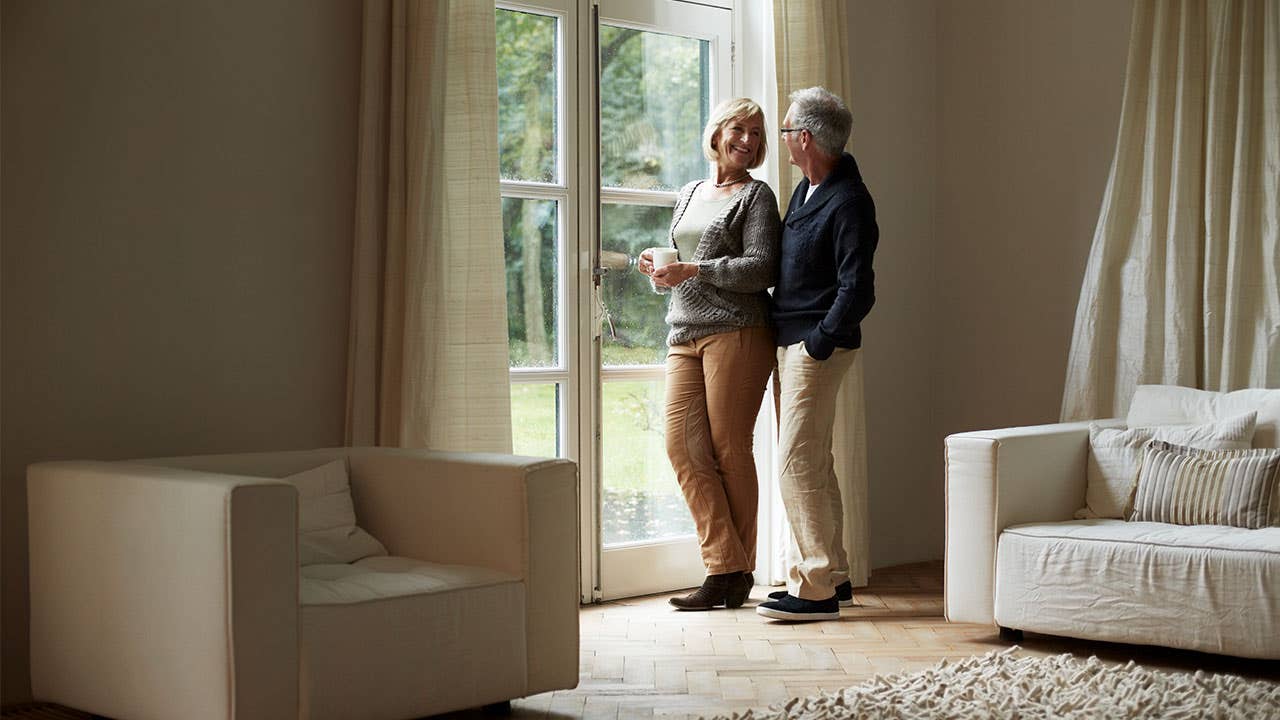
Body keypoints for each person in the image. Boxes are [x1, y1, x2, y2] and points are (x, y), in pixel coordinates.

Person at [637, 98, 781, 610]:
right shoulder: (691, 192)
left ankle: (729, 576)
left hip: (738, 331)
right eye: (741, 128)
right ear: (718, 132)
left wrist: (694, 270)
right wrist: (660, 269)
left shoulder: (757, 196)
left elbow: (761, 269)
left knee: (728, 448)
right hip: (685, 332)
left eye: (759, 134)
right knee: (682, 446)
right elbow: (685, 267)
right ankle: (728, 563)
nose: (750, 140)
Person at [756, 87, 878, 622]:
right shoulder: (805, 191)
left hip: (815, 346)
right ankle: (837, 576)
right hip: (794, 341)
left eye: (785, 130)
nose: (782, 138)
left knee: (794, 463)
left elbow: (860, 288)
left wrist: (819, 341)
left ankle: (814, 589)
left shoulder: (849, 200)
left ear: (804, 138)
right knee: (815, 462)